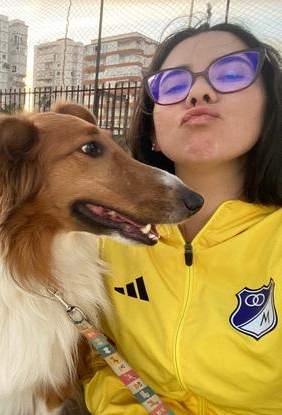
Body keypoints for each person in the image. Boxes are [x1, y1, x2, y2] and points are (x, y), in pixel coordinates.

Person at [83, 22, 282, 414]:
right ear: (154, 127)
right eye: (173, 85)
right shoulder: (107, 239)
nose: (198, 92)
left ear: (270, 106)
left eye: (231, 73)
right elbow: (95, 358)